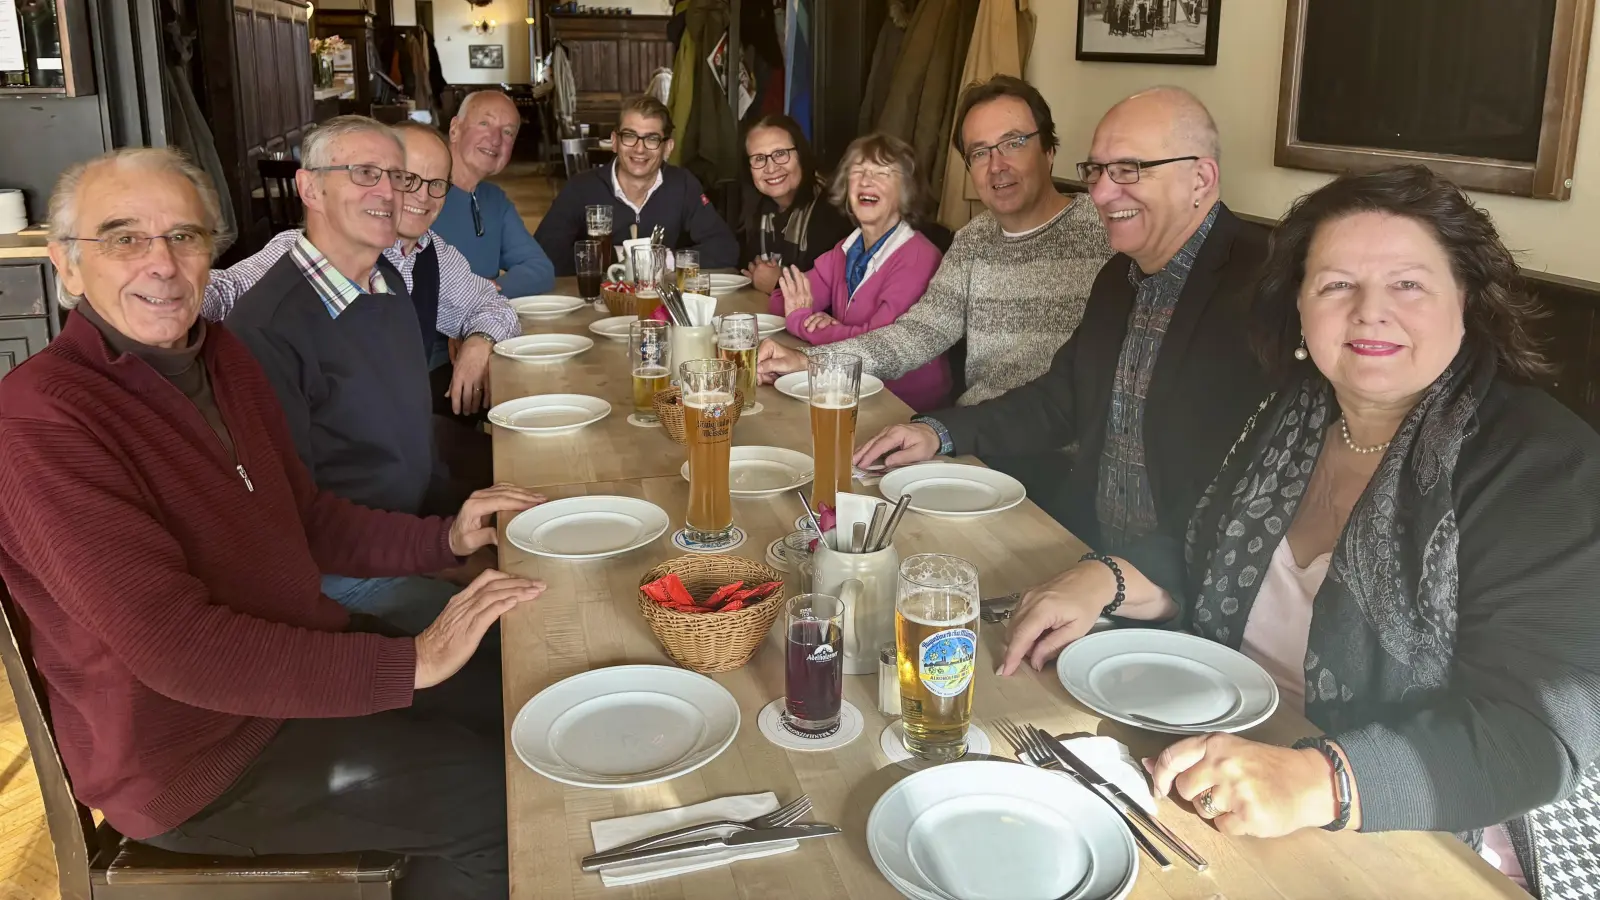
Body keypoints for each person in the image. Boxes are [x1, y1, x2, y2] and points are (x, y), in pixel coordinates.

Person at [1000, 165, 1600, 895]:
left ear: (1466, 301)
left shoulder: (1541, 466)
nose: (1369, 311)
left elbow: (1534, 737)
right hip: (1212, 768)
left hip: (1400, 831)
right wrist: (1108, 577)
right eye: (1336, 285)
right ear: (1301, 307)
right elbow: (1203, 547)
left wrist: (1315, 781)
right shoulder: (1291, 410)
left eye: (1408, 284)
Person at [0, 145, 548, 900]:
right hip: (199, 760)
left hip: (295, 667)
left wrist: (444, 538)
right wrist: (411, 661)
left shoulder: (220, 357)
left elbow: (306, 518)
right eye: (124, 238)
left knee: (521, 694)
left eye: (184, 237)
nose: (161, 263)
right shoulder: (43, 422)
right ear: (66, 265)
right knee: (500, 798)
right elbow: (176, 650)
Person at [851, 86, 1270, 548]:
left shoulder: (1264, 287)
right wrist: (940, 430)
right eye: (1097, 171)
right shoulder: (1120, 275)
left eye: (1130, 169)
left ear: (1201, 179)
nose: (1105, 192)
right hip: (1080, 532)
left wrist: (1134, 580)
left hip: (1163, 575)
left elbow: (1255, 484)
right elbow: (1060, 397)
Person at [223, 116, 470, 635]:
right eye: (364, 173)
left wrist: (459, 525)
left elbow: (409, 440)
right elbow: (295, 520)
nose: (389, 192)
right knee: (520, 639)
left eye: (398, 176)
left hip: (410, 533)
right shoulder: (267, 328)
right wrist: (439, 551)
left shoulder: (387, 285)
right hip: (344, 572)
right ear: (309, 187)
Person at [756, 75, 1111, 420]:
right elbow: (918, 333)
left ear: (1049, 151)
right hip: (973, 432)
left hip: (1058, 450)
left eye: (1014, 143)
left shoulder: (1106, 230)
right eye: (980, 152)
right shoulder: (974, 239)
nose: (997, 166)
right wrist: (809, 361)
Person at [204, 122, 519, 422]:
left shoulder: (432, 252)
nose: (422, 197)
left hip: (399, 439)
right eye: (406, 178)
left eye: (436, 184)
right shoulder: (307, 251)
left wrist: (479, 341)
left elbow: (493, 306)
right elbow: (225, 290)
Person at [769, 133, 950, 412]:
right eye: (858, 172)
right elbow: (782, 299)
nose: (867, 181)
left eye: (882, 173)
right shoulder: (847, 248)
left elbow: (876, 344)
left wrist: (807, 322)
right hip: (849, 387)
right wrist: (811, 320)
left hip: (903, 405)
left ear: (905, 190)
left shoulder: (918, 257)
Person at [533, 95, 739, 275]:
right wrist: (622, 257)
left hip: (661, 307)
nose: (639, 149)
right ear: (614, 141)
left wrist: (660, 260)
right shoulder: (581, 187)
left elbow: (725, 249)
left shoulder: (683, 184)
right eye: (630, 136)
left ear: (667, 147)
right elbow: (542, 254)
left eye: (651, 139)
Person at [433, 90, 556, 302]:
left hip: (483, 324)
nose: (495, 139)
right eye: (484, 124)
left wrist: (486, 291)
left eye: (508, 132)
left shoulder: (494, 200)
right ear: (455, 129)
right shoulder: (420, 195)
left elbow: (540, 269)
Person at [734, 114, 853, 294]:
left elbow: (837, 290)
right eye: (759, 158)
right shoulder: (757, 207)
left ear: (801, 155)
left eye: (780, 154)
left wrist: (778, 282)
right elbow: (748, 268)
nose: (771, 168)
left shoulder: (831, 209)